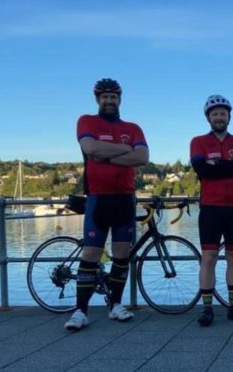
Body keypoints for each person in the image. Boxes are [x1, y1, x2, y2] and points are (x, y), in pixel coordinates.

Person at [65, 78, 149, 331]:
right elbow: (90, 148)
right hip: (98, 198)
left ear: (119, 100)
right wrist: (124, 150)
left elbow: (143, 157)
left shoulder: (133, 127)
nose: (109, 101)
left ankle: (115, 305)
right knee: (90, 254)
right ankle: (80, 311)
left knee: (121, 254)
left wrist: (105, 155)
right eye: (105, 97)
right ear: (98, 100)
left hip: (125, 198)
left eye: (113, 97)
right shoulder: (87, 121)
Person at [190, 95, 233, 326]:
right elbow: (202, 169)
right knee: (208, 258)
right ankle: (207, 308)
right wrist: (232, 166)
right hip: (211, 207)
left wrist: (218, 166)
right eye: (215, 114)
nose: (219, 117)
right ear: (209, 117)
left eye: (223, 113)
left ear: (229, 116)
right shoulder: (198, 142)